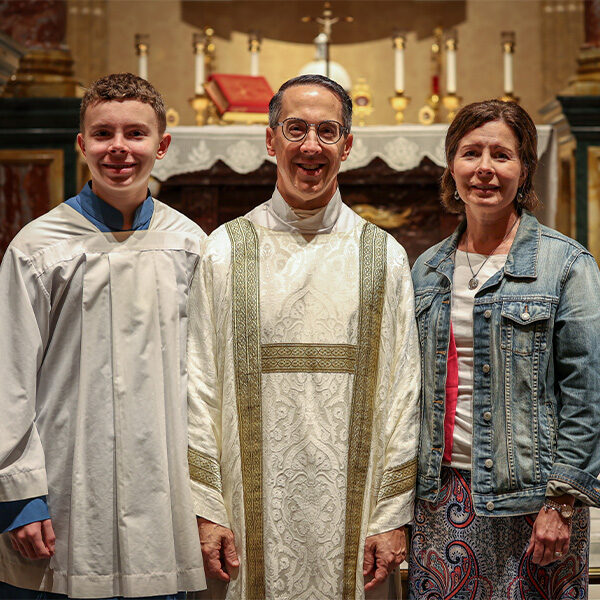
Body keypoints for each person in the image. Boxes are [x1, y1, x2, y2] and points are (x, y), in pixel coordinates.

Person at [186, 74, 420, 600]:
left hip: (360, 529)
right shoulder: (223, 252)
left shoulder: (382, 257)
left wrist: (390, 515)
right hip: (242, 526)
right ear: (270, 141)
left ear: (348, 145)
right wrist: (207, 509)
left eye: (327, 131)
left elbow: (406, 392)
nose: (310, 146)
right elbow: (197, 385)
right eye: (295, 129)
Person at [0, 73, 207, 599]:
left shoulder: (190, 245)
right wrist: (21, 495)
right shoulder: (39, 247)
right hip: (68, 482)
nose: (119, 148)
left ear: (162, 145)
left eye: (135, 134)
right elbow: (9, 376)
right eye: (103, 134)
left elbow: (209, 376)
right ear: (81, 145)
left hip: (165, 484)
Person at [408, 99, 600, 599]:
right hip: (442, 494)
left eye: (502, 155)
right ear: (452, 166)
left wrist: (561, 501)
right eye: (471, 153)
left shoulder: (565, 264)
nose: (485, 169)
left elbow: (587, 393)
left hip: (535, 499)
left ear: (524, 168)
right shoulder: (427, 269)